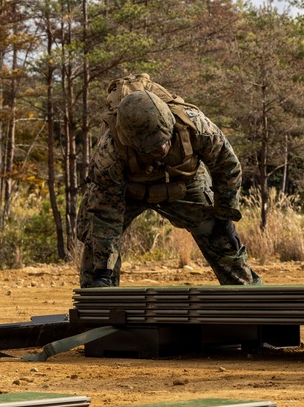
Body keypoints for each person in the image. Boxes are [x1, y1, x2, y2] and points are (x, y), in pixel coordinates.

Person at [78, 75, 262, 288]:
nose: (163, 149)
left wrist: (225, 212)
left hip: (185, 180)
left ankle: (249, 300)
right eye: (155, 146)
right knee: (95, 248)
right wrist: (103, 271)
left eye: (166, 140)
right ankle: (99, 310)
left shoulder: (196, 124)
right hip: (128, 189)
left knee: (223, 240)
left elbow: (227, 165)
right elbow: (104, 213)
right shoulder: (108, 154)